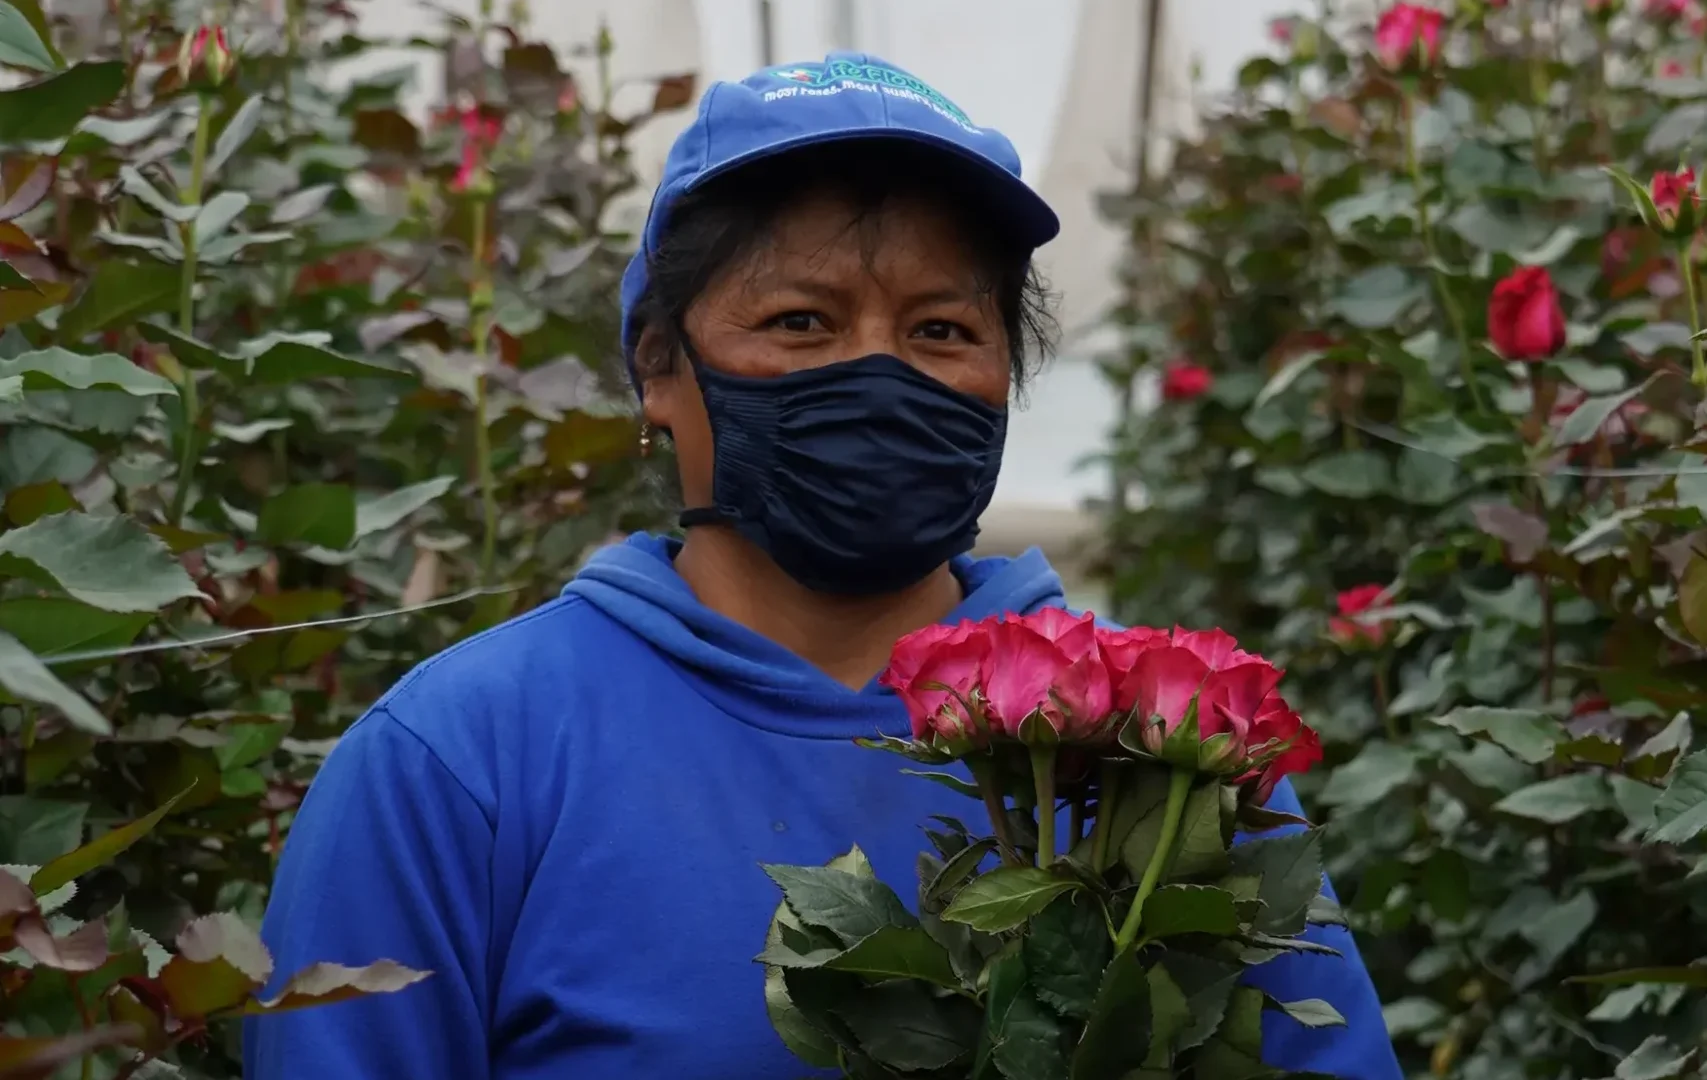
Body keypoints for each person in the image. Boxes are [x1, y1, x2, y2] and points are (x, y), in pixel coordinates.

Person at [244, 51, 1402, 1080]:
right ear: (657, 367)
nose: (878, 375)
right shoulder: (464, 766)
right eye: (801, 320)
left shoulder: (1161, 741)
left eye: (942, 330)